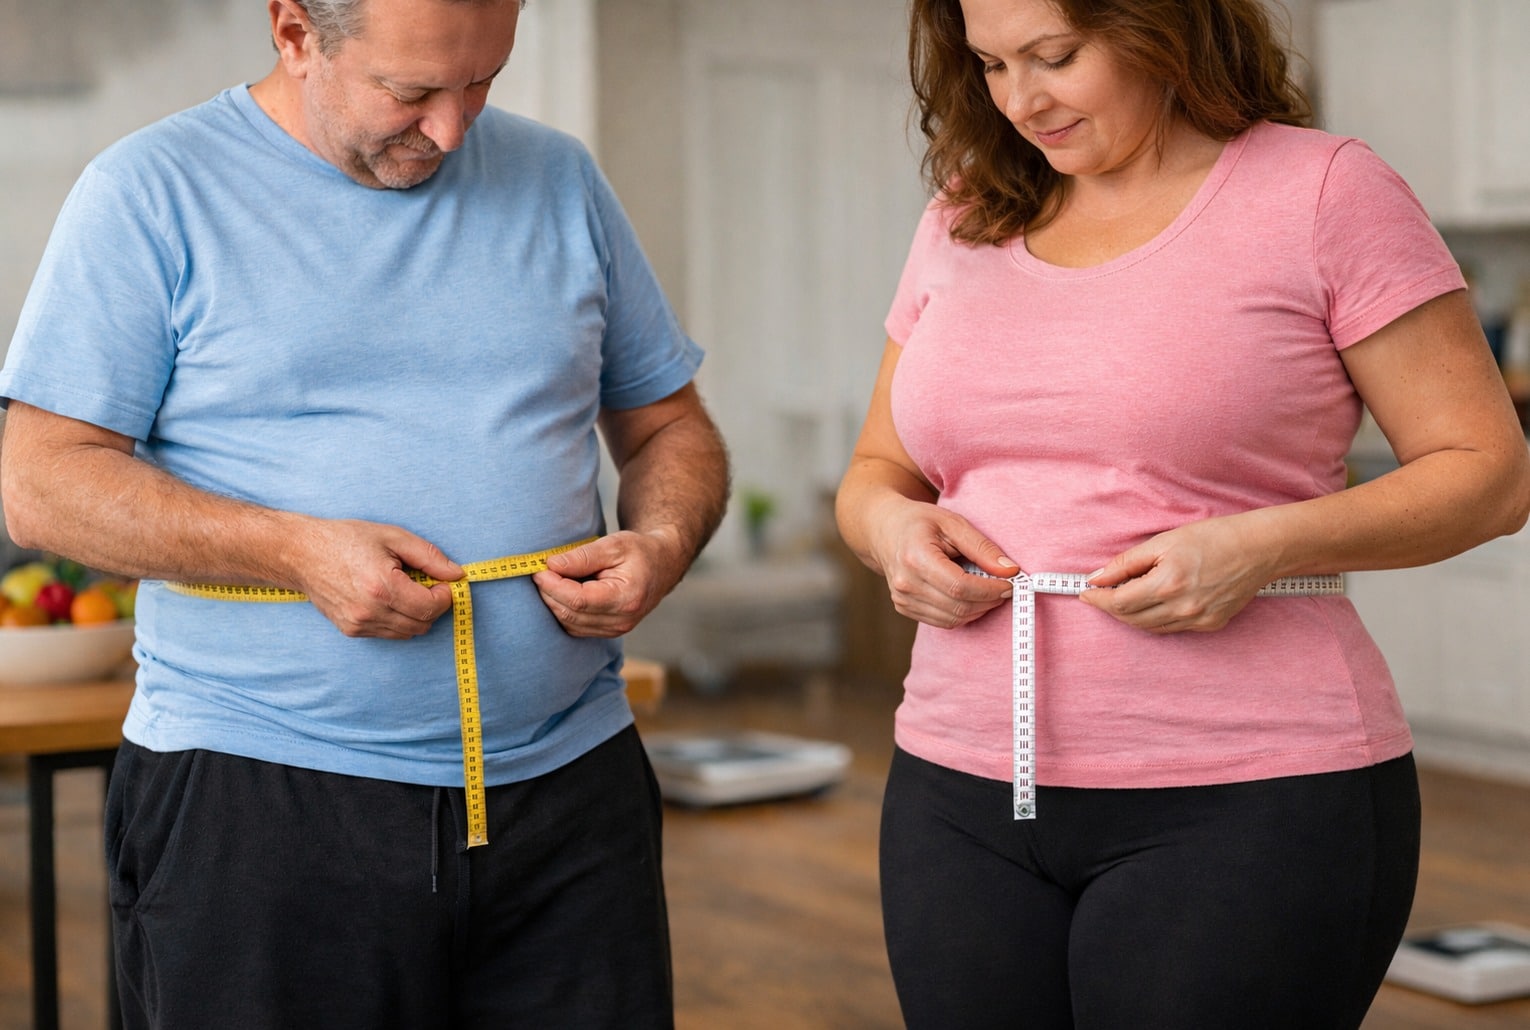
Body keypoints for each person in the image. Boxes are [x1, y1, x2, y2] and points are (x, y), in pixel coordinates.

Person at [0, 0, 729, 1026]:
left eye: (482, 81)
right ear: (294, 32)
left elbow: (672, 432)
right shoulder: (149, 194)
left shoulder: (562, 178)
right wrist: (292, 551)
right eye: (413, 90)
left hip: (571, 795)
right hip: (259, 800)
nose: (454, 128)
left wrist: (659, 542)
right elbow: (41, 483)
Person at [835, 0, 1530, 1026]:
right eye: (989, 65)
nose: (1021, 99)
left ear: (1164, 27)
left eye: (1055, 57)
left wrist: (1260, 545)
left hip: (1249, 793)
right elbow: (877, 470)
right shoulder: (965, 210)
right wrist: (894, 533)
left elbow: (1491, 471)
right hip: (959, 784)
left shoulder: (1325, 191)